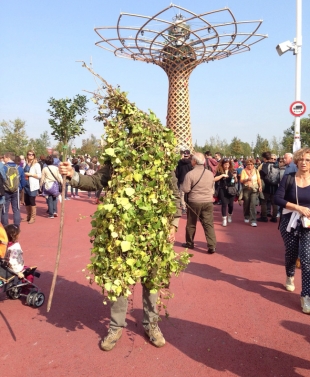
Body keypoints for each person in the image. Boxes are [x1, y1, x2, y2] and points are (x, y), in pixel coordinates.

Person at [59, 159, 180, 351]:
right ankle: (116, 326)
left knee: (152, 280)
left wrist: (173, 224)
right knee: (119, 280)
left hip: (155, 232)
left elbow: (174, 194)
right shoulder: (118, 158)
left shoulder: (163, 160)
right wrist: (72, 175)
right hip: (122, 231)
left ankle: (151, 324)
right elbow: (96, 181)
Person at [274, 148, 310, 314]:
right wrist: (297, 207)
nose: (304, 162)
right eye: (301, 159)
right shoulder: (289, 178)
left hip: (308, 222)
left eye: (308, 160)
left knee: (307, 259)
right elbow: (278, 198)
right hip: (289, 220)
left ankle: (306, 295)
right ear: (296, 161)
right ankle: (289, 274)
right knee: (292, 252)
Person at [181, 152, 217, 253]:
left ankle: (189, 242)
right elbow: (212, 189)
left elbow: (186, 189)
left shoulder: (190, 174)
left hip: (194, 201)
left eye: (192, 159)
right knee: (208, 224)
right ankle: (212, 245)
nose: (191, 161)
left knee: (191, 223)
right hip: (207, 201)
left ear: (195, 162)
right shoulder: (210, 174)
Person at [1, 152, 26, 227]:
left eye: (4, 157)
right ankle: (16, 226)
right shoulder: (19, 168)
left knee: (5, 210)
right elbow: (23, 182)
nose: (3, 159)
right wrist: (19, 187)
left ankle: (5, 226)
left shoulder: (3, 167)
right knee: (16, 209)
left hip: (5, 191)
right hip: (16, 190)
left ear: (8, 158)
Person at [214, 158, 237, 226]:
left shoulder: (232, 171)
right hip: (222, 189)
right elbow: (214, 179)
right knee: (224, 204)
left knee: (231, 205)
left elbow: (235, 181)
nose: (227, 166)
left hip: (231, 189)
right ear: (222, 164)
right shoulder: (220, 171)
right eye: (225, 164)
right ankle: (224, 219)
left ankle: (229, 215)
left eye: (228, 164)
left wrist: (235, 177)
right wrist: (222, 175)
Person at [258, 151, 279, 223]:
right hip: (275, 186)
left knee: (264, 201)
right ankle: (274, 217)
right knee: (274, 203)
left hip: (267, 186)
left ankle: (264, 216)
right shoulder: (277, 165)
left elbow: (263, 173)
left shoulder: (265, 165)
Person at [240, 158, 262, 227]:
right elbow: (241, 180)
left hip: (254, 189)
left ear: (253, 165)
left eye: (251, 164)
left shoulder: (256, 171)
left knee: (253, 204)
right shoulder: (243, 171)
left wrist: (260, 186)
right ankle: (246, 216)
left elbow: (259, 179)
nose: (249, 165)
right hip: (246, 188)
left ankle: (253, 220)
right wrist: (246, 179)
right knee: (246, 203)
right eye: (248, 164)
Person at [23, 150, 41, 224]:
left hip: (32, 185)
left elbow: (39, 175)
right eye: (29, 154)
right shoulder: (25, 164)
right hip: (26, 184)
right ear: (27, 155)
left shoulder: (36, 165)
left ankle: (33, 217)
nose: (30, 156)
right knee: (26, 201)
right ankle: (28, 216)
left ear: (34, 156)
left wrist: (30, 174)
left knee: (31, 200)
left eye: (32, 154)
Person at [175, 150, 193, 214]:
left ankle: (183, 207)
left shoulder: (179, 162)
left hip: (182, 179)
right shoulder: (191, 162)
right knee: (190, 194)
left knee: (182, 194)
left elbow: (177, 172)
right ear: (189, 155)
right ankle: (190, 207)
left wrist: (178, 177)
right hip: (190, 180)